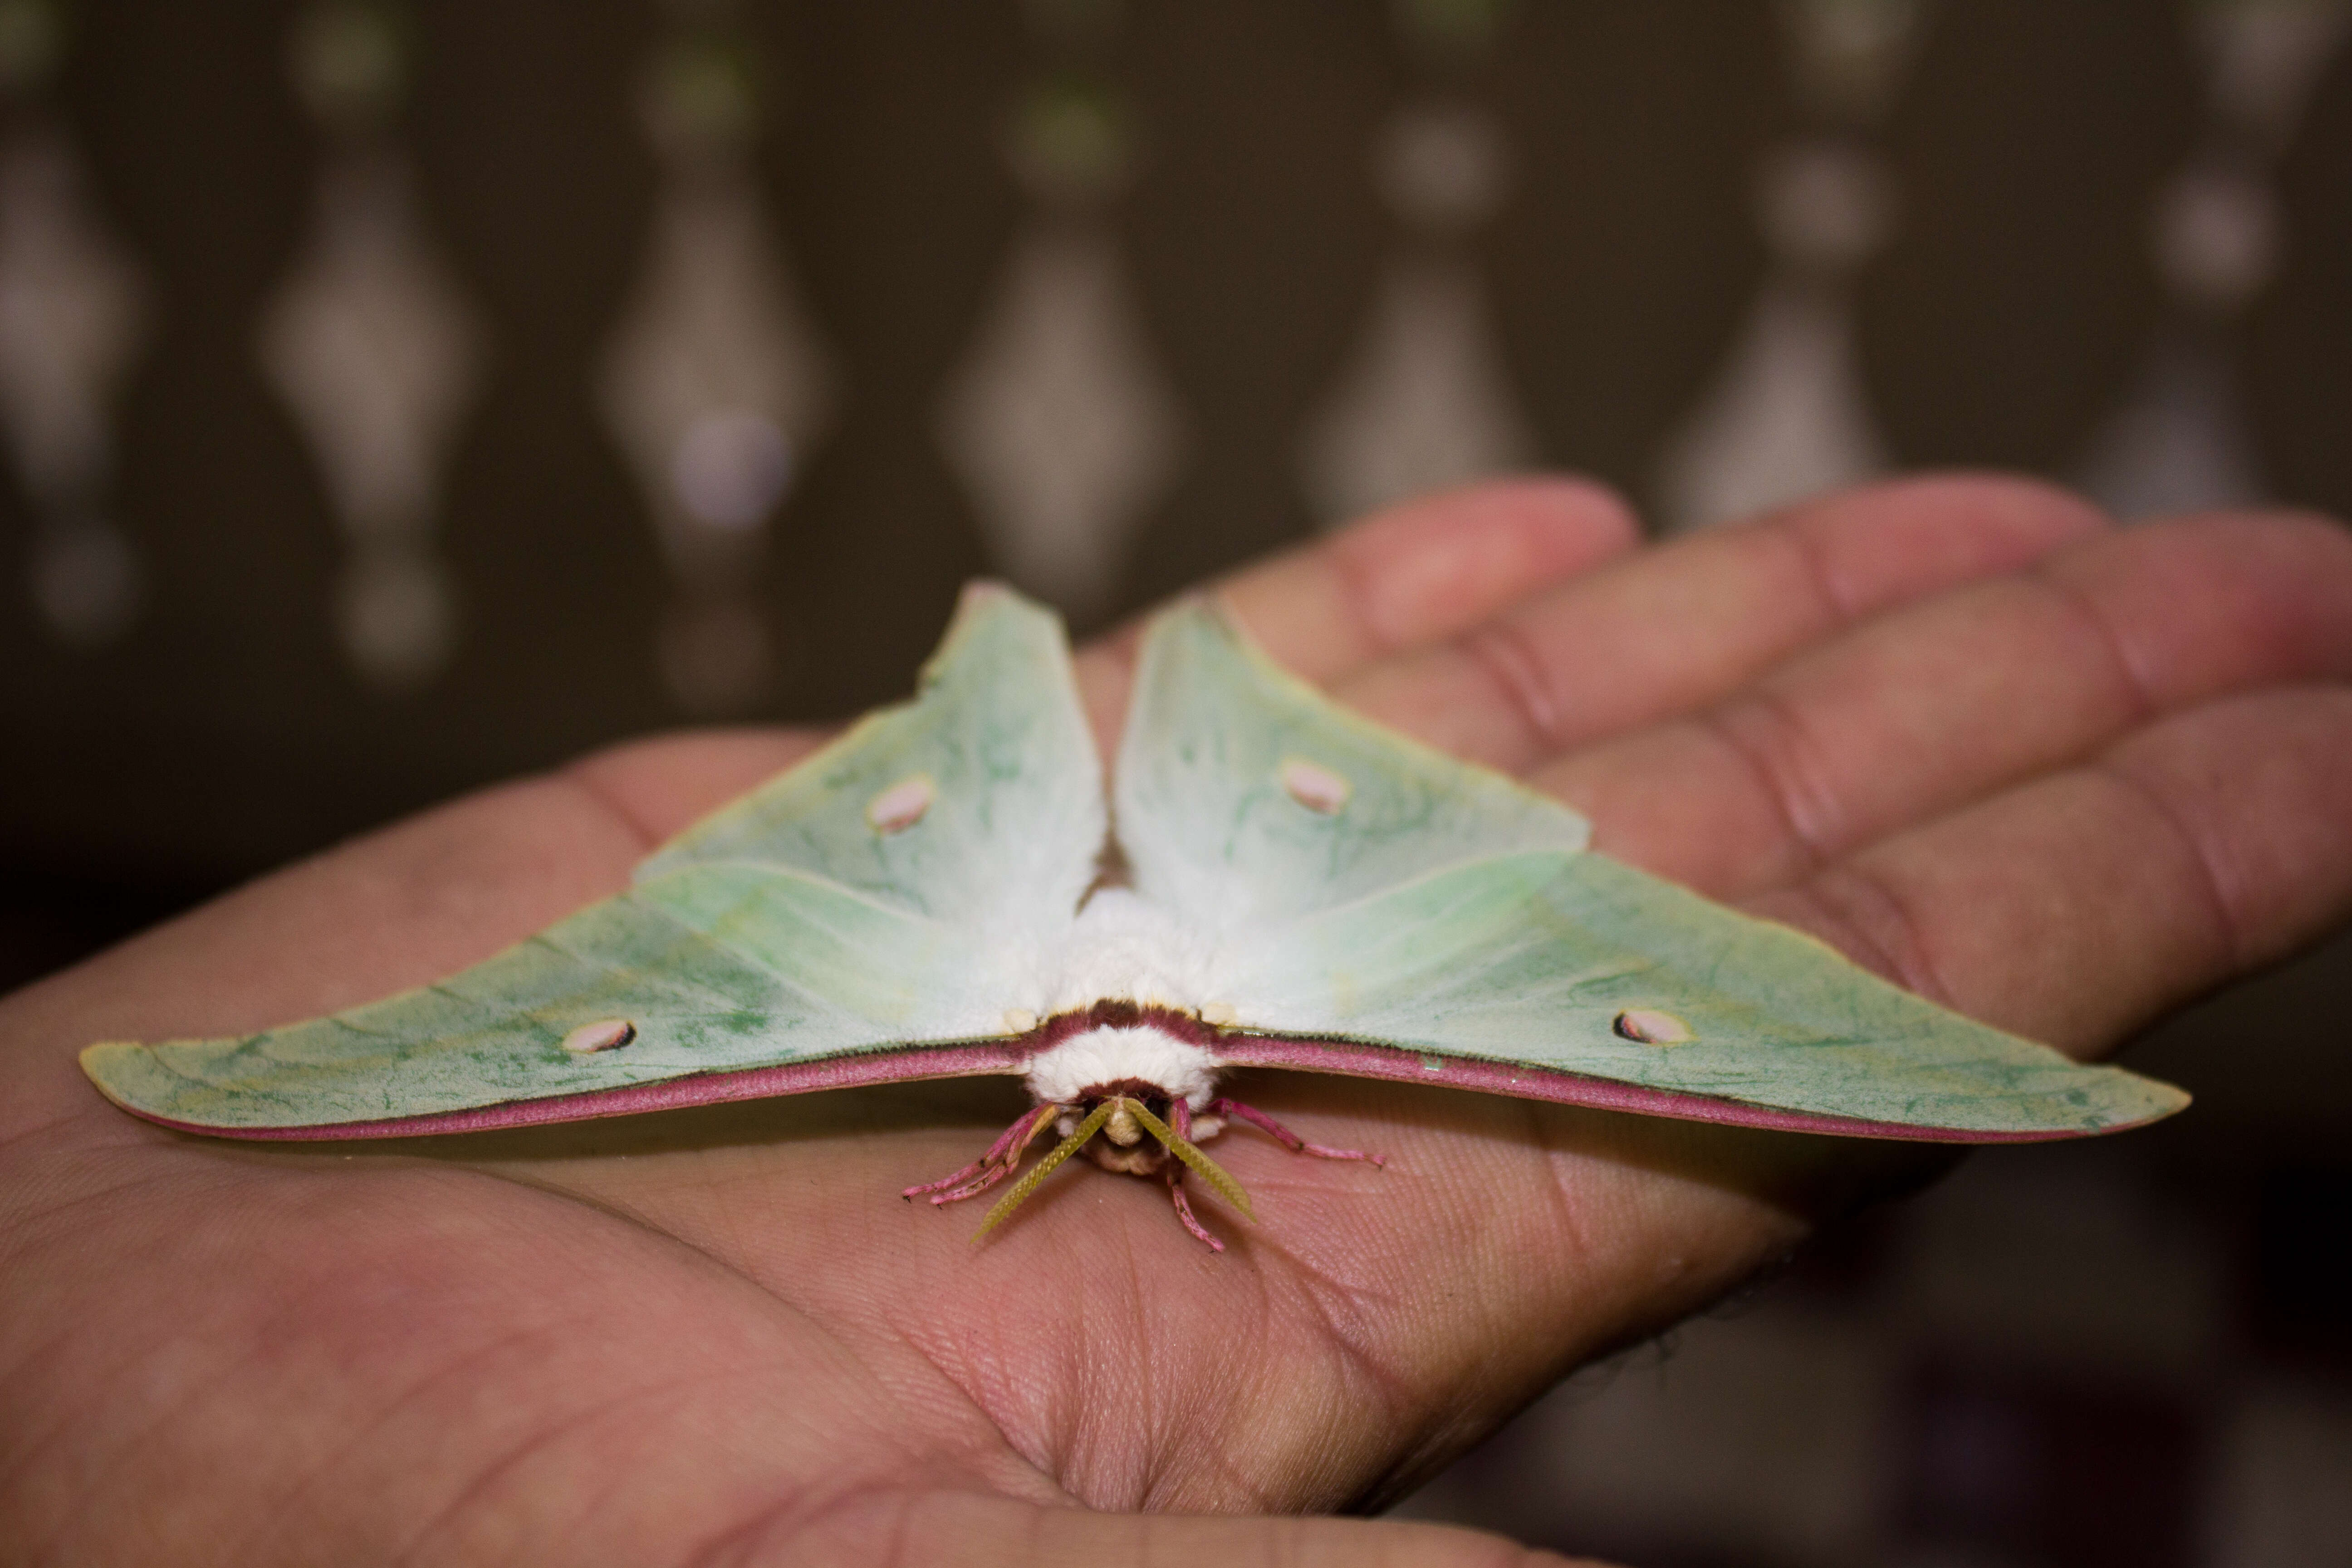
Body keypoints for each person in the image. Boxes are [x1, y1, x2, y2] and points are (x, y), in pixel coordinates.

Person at [4, 475, 2347, 1568]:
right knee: (606, 1029)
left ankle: (1073, 720)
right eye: (1103, 1139)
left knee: (1670, 1018)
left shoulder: (1092, 1067)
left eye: (1143, 1137)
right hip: (1279, 911)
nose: (1127, 1150)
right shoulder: (1201, 1063)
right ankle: (1115, 719)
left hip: (1086, 922)